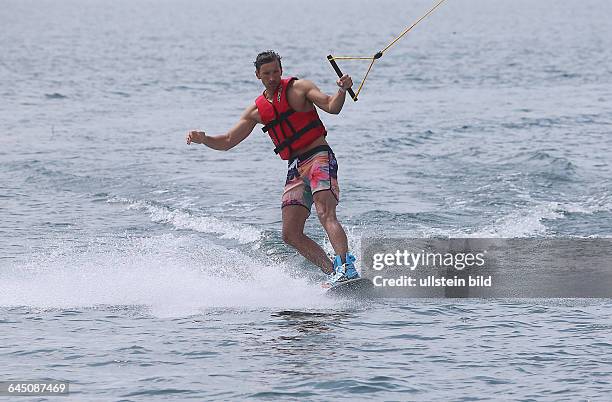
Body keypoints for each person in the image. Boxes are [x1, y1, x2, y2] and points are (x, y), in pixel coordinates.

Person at [186, 50, 358, 286]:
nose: (272, 77)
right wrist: (204, 138)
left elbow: (332, 106)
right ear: (258, 75)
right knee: (290, 234)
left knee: (325, 213)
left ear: (281, 70)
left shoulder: (300, 89)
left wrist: (342, 90)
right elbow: (227, 141)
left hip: (319, 157)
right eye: (266, 73)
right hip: (295, 167)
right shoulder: (256, 111)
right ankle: (334, 274)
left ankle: (346, 267)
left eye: (276, 71)